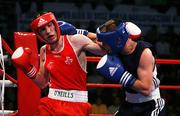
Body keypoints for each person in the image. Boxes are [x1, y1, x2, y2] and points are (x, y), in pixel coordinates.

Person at [11, 12, 107, 115]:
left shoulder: (76, 41)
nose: (48, 31)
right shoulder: (44, 50)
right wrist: (28, 68)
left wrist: (85, 33)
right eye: (43, 29)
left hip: (76, 104)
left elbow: (104, 51)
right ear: (39, 34)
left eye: (49, 25)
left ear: (55, 25)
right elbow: (42, 83)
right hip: (50, 103)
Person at [96, 19, 165, 116]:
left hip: (150, 105)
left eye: (105, 42)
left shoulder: (144, 53)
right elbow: (94, 41)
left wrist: (121, 75)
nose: (102, 45)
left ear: (116, 41)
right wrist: (78, 32)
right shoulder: (115, 47)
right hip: (128, 104)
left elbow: (146, 89)